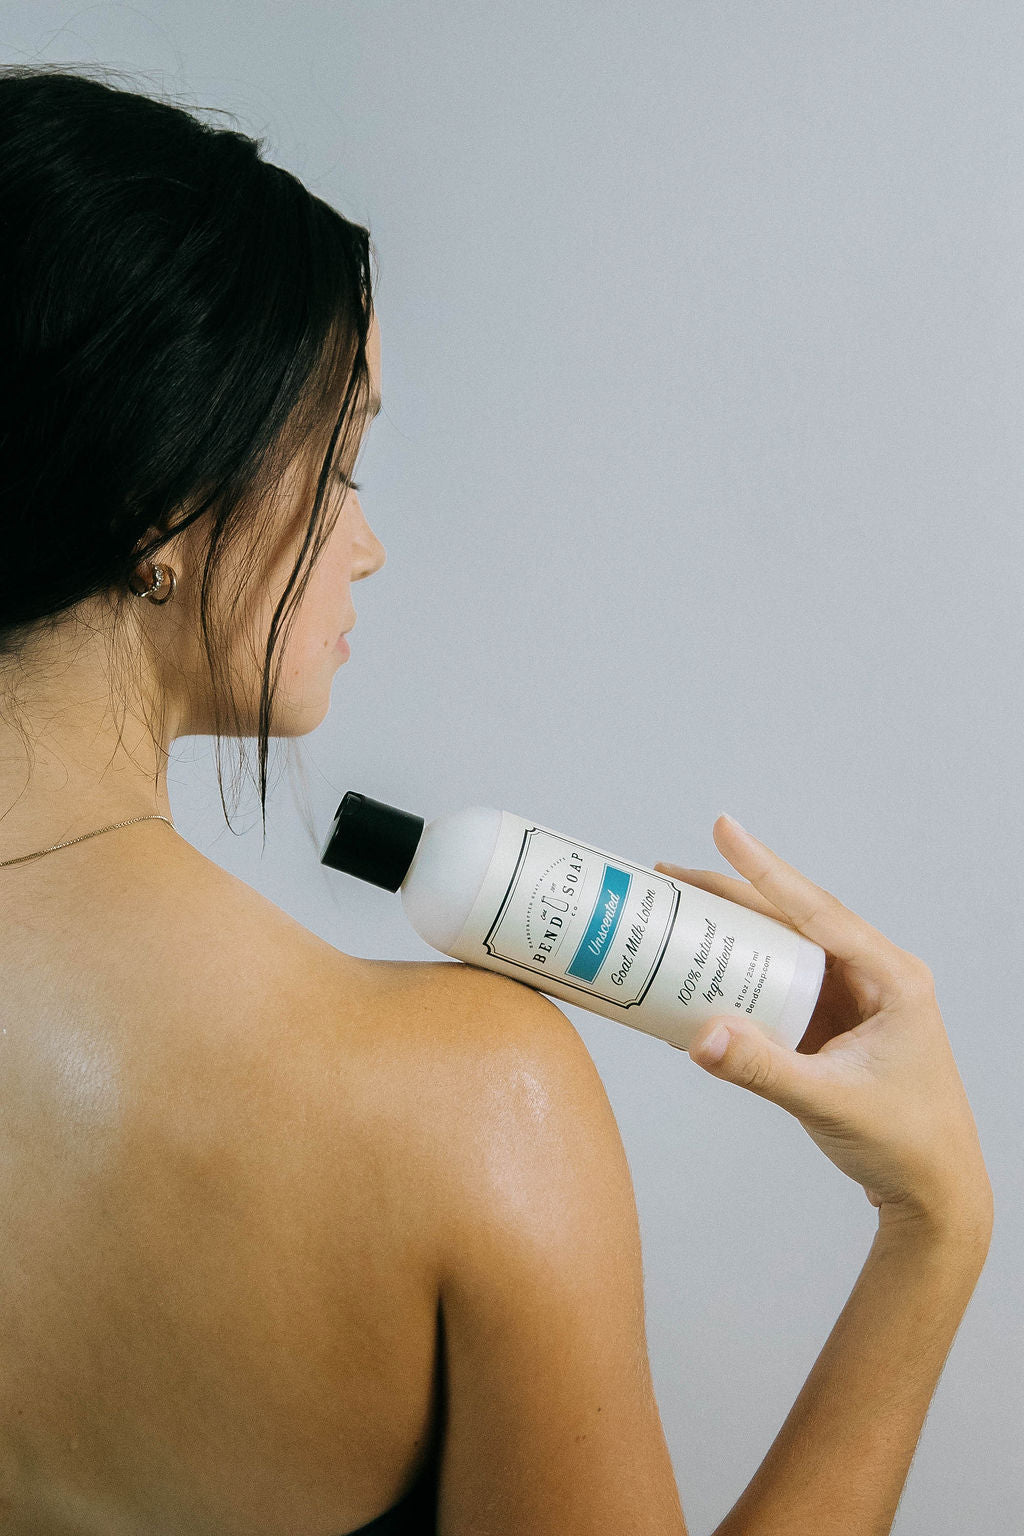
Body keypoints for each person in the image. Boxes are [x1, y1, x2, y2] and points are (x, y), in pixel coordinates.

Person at [0, 65, 993, 1536]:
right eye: (335, 463)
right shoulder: (472, 1106)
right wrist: (935, 1234)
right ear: (161, 502)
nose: (369, 545)